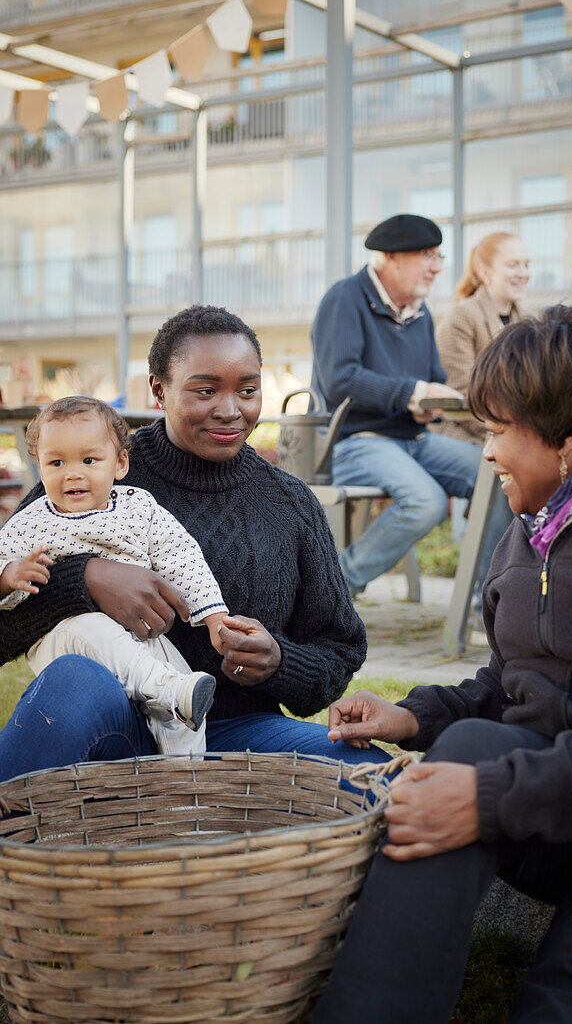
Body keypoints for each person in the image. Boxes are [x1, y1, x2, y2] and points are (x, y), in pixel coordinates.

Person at [312, 305, 572, 1024]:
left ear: (570, 435)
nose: (487, 453)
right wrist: (414, 714)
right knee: (468, 746)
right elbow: (511, 685)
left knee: (567, 999)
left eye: (498, 431)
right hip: (565, 802)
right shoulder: (534, 526)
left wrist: (487, 799)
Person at [0, 305, 390, 784]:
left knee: (374, 773)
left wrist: (279, 662)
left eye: (248, 390)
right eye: (205, 390)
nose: (230, 409)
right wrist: (81, 580)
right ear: (159, 391)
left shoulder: (291, 506)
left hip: (238, 734)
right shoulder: (84, 472)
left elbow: (340, 648)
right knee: (74, 680)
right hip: (114, 730)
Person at [0, 396, 227, 755]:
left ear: (120, 463)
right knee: (94, 628)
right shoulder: (31, 521)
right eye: (56, 462)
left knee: (185, 705)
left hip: (140, 637)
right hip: (68, 640)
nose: (72, 473)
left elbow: (180, 556)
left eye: (89, 460)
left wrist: (215, 618)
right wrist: (8, 574)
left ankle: (185, 788)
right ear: (39, 466)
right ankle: (164, 691)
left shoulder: (139, 507)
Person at [310, 214, 484, 596]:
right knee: (426, 502)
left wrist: (427, 403)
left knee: (497, 475)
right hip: (353, 440)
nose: (438, 267)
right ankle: (332, 588)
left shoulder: (421, 313)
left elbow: (432, 377)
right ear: (390, 257)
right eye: (427, 255)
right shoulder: (345, 299)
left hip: (413, 440)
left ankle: (486, 599)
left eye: (439, 256)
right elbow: (341, 381)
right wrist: (411, 393)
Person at [432, 232, 529, 568]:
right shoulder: (463, 316)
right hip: (461, 431)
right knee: (507, 469)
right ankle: (487, 598)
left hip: (507, 432)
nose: (523, 272)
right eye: (513, 264)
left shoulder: (526, 320)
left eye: (526, 264)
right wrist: (511, 431)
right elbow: (458, 395)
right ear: (486, 272)